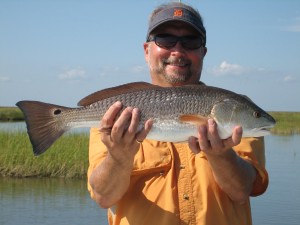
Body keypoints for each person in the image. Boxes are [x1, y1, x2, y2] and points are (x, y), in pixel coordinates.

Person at [87, 2, 268, 225]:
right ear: (147, 50)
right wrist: (118, 157)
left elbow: (242, 191)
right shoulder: (112, 117)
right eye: (165, 39)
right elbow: (103, 196)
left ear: (203, 52)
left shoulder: (237, 110)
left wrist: (221, 155)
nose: (178, 51)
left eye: (191, 41)